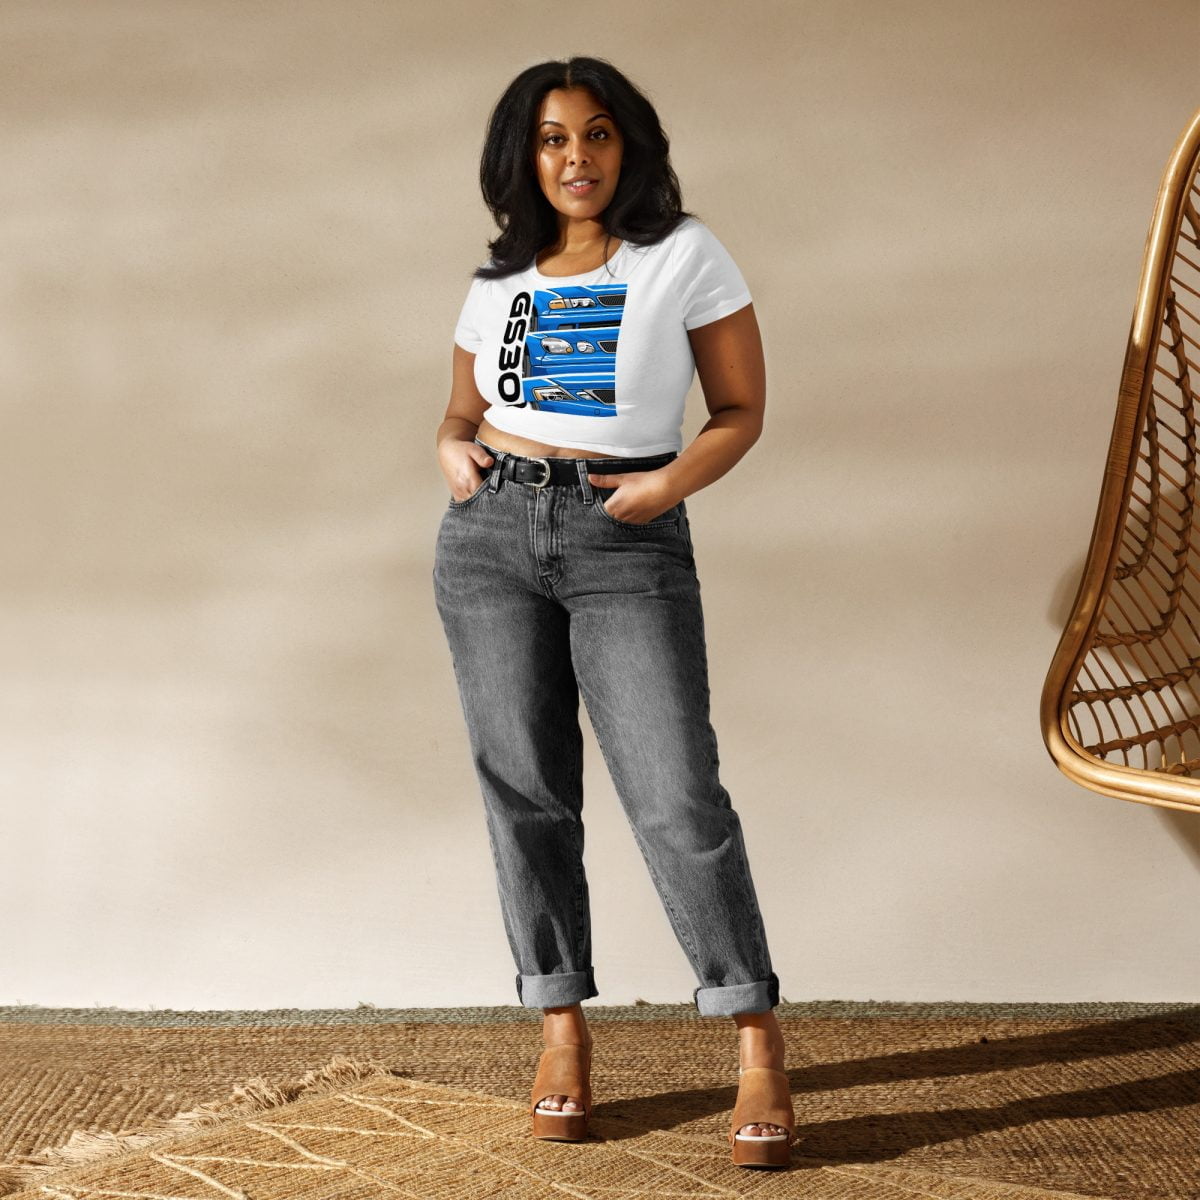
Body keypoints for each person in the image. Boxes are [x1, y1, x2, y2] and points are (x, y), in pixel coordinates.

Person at [433, 56, 796, 1169]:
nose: (576, 159)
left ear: (627, 145)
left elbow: (739, 408)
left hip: (622, 532)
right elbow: (458, 413)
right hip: (490, 539)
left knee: (677, 789)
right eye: (552, 139)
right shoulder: (498, 281)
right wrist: (453, 453)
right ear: (523, 156)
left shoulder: (683, 255)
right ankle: (561, 1032)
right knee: (525, 791)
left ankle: (757, 1037)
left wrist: (667, 487)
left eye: (596, 135)